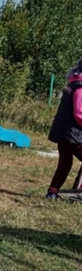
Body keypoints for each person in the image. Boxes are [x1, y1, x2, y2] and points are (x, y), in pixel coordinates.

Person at [46, 60, 82, 201]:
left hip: (63, 132)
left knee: (65, 164)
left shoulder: (73, 84)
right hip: (72, 134)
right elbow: (79, 113)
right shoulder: (80, 88)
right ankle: (79, 193)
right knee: (65, 163)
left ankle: (52, 193)